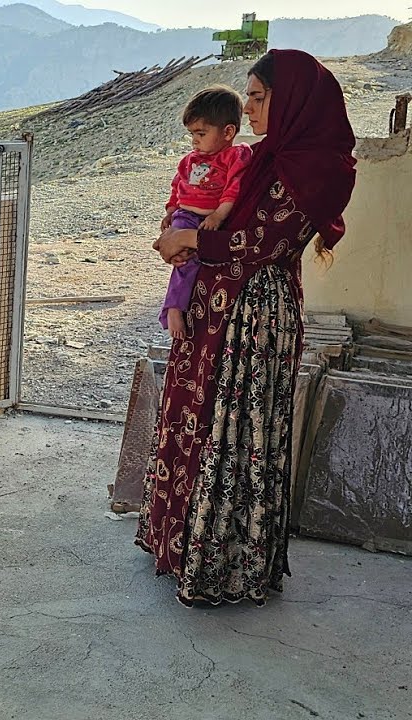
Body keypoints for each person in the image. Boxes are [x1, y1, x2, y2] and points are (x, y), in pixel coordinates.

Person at [136, 50, 357, 607]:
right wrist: (179, 234)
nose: (251, 107)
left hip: (253, 317)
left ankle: (225, 564)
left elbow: (263, 242)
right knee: (195, 418)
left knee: (236, 430)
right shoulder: (259, 159)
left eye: (259, 97)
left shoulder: (313, 168)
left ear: (294, 102)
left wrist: (188, 241)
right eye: (250, 96)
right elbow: (215, 209)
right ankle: (182, 543)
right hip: (215, 303)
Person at [159, 86, 252, 340]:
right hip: (186, 215)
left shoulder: (234, 156)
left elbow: (233, 189)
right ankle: (174, 308)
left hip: (211, 218)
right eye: (192, 134)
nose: (195, 140)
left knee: (197, 258)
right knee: (184, 261)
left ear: (228, 132)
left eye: (201, 133)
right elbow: (178, 186)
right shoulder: (190, 160)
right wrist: (170, 211)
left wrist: (218, 216)